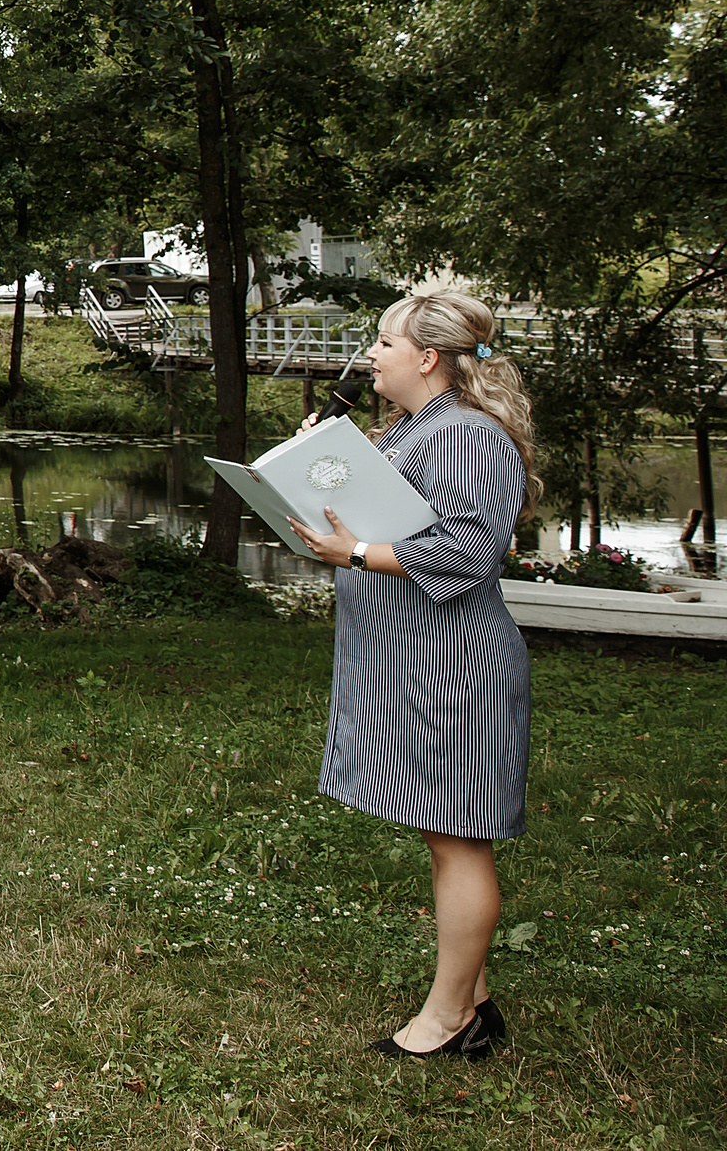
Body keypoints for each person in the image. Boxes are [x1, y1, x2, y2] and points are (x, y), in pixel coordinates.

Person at [286, 290, 539, 1060]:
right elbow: (380, 513)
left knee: (460, 839)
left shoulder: (465, 434)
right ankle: (476, 1000)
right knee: (445, 834)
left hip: (453, 667)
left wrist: (356, 555)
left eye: (385, 342)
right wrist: (316, 465)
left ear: (427, 357)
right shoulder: (415, 429)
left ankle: (446, 1019)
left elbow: (469, 548)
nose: (373, 354)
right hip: (420, 660)